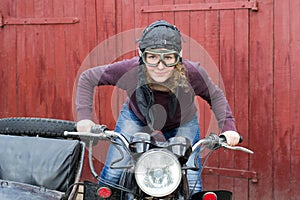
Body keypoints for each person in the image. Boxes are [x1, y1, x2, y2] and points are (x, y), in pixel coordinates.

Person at [75, 20, 240, 195]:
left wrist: (229, 128)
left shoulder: (193, 74)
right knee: (112, 174)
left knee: (192, 183)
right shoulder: (129, 70)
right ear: (141, 55)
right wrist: (84, 118)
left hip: (182, 123)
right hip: (136, 117)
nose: (160, 66)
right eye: (152, 57)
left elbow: (215, 96)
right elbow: (87, 78)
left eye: (168, 58)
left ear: (179, 56)